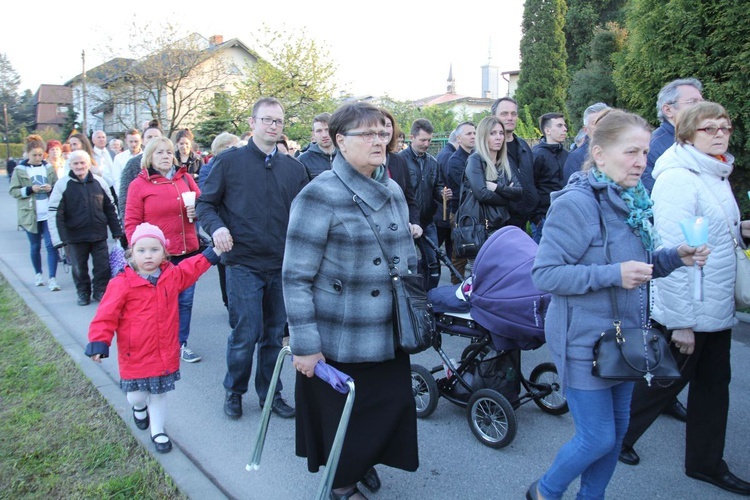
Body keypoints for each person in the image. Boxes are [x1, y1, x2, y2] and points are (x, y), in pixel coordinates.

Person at [528, 110, 709, 500]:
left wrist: (677, 255)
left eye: (644, 151)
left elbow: (639, 269)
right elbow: (544, 275)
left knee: (615, 435)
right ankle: (544, 492)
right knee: (596, 438)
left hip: (625, 340)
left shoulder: (634, 202)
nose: (641, 161)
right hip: (581, 340)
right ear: (599, 153)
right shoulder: (576, 204)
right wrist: (611, 273)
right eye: (631, 152)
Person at [284, 102, 419, 500]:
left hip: (388, 330)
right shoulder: (318, 194)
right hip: (341, 336)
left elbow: (406, 261)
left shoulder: (391, 187)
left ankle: (364, 463)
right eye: (369, 134)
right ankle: (341, 485)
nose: (381, 140)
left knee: (386, 408)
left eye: (384, 132)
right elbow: (295, 277)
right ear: (340, 141)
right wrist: (305, 346)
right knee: (345, 416)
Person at [619, 102, 750, 495]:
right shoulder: (679, 178)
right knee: (662, 383)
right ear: (687, 133)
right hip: (690, 308)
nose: (720, 133)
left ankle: (705, 464)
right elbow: (671, 251)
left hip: (715, 303)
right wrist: (680, 322)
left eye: (724, 126)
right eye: (709, 128)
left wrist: (738, 229)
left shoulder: (714, 171)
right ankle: (614, 438)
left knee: (712, 388)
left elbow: (707, 233)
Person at [196, 97, 308, 420]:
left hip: (281, 265)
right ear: (252, 123)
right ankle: (235, 390)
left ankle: (270, 393)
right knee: (246, 332)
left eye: (278, 121)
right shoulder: (230, 163)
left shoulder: (294, 168)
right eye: (267, 120)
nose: (273, 126)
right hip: (243, 262)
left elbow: (305, 215)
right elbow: (205, 205)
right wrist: (216, 228)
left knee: (274, 335)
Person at [85, 222, 221, 454]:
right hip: (134, 353)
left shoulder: (172, 276)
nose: (148, 256)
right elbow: (106, 315)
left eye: (154, 250)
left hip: (164, 351)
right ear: (132, 252)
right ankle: (139, 408)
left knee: (158, 394)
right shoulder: (122, 283)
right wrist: (99, 342)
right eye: (142, 250)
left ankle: (158, 430)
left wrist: (213, 252)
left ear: (164, 252)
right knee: (136, 395)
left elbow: (192, 267)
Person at [124, 137, 204, 363]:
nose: (166, 156)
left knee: (185, 301)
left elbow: (203, 205)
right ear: (149, 157)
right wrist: (137, 252)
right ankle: (156, 343)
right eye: (160, 152)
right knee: (159, 302)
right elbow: (131, 222)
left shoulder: (185, 179)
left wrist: (196, 212)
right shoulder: (139, 185)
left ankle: (181, 344)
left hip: (187, 251)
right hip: (157, 256)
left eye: (169, 152)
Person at [48, 150, 123, 306]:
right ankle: (83, 292)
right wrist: (58, 240)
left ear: (88, 164)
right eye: (76, 163)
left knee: (102, 267)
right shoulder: (62, 185)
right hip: (74, 237)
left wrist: (117, 231)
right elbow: (55, 213)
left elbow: (110, 207)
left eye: (83, 163)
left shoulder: (99, 182)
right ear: (70, 165)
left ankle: (100, 291)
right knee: (79, 269)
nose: (79, 166)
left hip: (98, 235)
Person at [399, 118, 450, 290]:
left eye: (429, 140)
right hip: (404, 222)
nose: (426, 144)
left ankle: (431, 299)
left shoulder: (432, 162)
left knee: (433, 262)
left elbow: (437, 186)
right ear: (412, 137)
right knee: (404, 266)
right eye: (423, 140)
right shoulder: (399, 161)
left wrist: (442, 193)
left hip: (427, 222)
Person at [9, 134, 60, 290]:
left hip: (48, 213)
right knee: (35, 246)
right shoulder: (20, 170)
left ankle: (52, 278)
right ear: (28, 154)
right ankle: (38, 274)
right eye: (34, 155)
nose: (38, 158)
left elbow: (57, 187)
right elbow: (14, 191)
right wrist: (30, 189)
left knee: (52, 246)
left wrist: (51, 189)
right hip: (30, 214)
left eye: (40, 155)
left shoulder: (49, 168)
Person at [463, 116, 522, 251]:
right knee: (480, 270)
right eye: (492, 133)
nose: (498, 137)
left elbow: (519, 192)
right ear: (483, 136)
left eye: (501, 133)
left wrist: (497, 187)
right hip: (480, 226)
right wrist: (507, 196)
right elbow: (482, 194)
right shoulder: (475, 160)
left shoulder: (504, 162)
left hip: (501, 225)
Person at [198, 132, 241, 309]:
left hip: (239, 224)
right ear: (217, 150)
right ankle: (228, 301)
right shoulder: (209, 168)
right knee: (224, 262)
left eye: (235, 147)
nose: (232, 151)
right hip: (220, 222)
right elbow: (206, 197)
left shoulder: (241, 166)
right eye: (228, 147)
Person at [641, 78, 704, 192]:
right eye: (693, 102)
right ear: (668, 110)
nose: (702, 108)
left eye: (702, 102)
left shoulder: (705, 139)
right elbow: (651, 194)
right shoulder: (652, 147)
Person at [491, 97, 538, 229]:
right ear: (493, 116)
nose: (510, 118)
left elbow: (530, 180)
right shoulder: (487, 150)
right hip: (500, 221)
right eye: (504, 114)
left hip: (524, 219)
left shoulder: (523, 146)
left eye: (514, 114)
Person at [531, 112, 569, 243]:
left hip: (565, 216)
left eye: (564, 125)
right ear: (547, 130)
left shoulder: (566, 155)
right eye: (559, 125)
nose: (565, 129)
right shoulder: (537, 154)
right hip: (543, 217)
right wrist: (536, 218)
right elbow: (530, 186)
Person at [118, 121, 163, 217]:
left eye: (156, 137)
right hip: (143, 220)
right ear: (142, 140)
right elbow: (124, 199)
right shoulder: (133, 164)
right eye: (149, 137)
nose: (153, 140)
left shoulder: (170, 163)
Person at [562, 102, 610, 184]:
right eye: (596, 123)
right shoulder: (576, 158)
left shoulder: (627, 150)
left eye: (605, 122)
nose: (602, 127)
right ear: (586, 130)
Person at [298, 113, 337, 180]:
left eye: (327, 130)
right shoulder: (303, 160)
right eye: (319, 131)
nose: (324, 135)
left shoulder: (346, 157)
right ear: (313, 134)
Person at [112, 129, 142, 195]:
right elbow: (117, 180)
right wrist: (121, 196)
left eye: (136, 141)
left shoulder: (146, 157)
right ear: (126, 141)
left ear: (141, 141)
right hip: (126, 194)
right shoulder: (119, 158)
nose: (134, 144)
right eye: (131, 141)